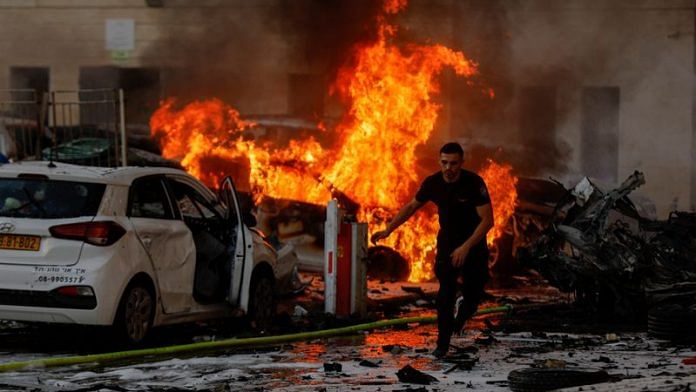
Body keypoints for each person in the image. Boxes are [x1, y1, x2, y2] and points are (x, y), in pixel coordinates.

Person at [371, 142, 494, 358]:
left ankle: (465, 309)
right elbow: (411, 207)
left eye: (454, 163)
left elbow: (487, 221)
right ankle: (442, 344)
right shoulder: (433, 183)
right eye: (445, 163)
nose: (449, 168)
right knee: (445, 295)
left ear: (461, 163)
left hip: (473, 246)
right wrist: (388, 229)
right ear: (440, 161)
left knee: (474, 293)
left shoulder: (474, 184)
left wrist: (465, 248)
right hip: (447, 244)